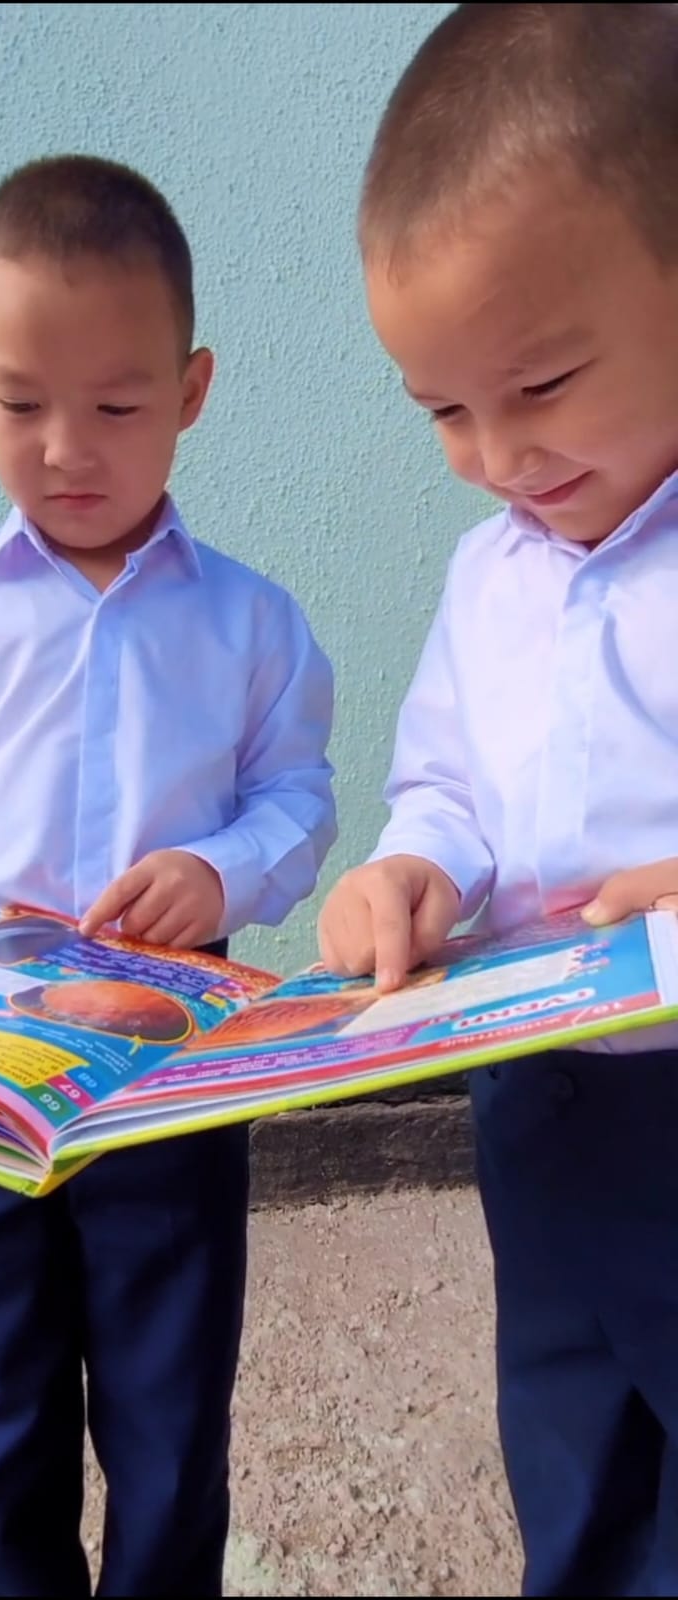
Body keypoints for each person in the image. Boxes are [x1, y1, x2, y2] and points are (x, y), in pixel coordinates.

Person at [0, 153, 337, 1598]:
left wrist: (219, 872)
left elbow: (298, 799)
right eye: (20, 403)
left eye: (115, 406)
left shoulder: (252, 624)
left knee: (170, 1415)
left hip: (170, 1068)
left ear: (191, 391)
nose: (65, 449)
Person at [317, 6, 678, 1594]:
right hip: (533, 1077)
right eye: (442, 410)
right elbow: (450, 778)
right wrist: (414, 865)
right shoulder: (489, 575)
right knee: (564, 1390)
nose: (493, 455)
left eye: (539, 383)